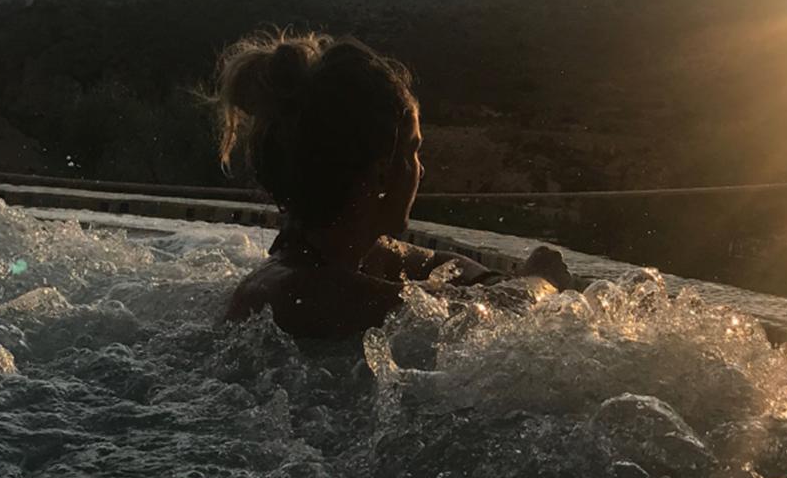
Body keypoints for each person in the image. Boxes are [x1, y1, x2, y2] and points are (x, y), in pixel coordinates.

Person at [214, 31, 575, 339]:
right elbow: (478, 313)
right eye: (414, 151)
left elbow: (448, 265)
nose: (421, 172)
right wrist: (540, 280)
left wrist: (494, 280)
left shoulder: (356, 258)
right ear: (382, 173)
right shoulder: (304, 294)